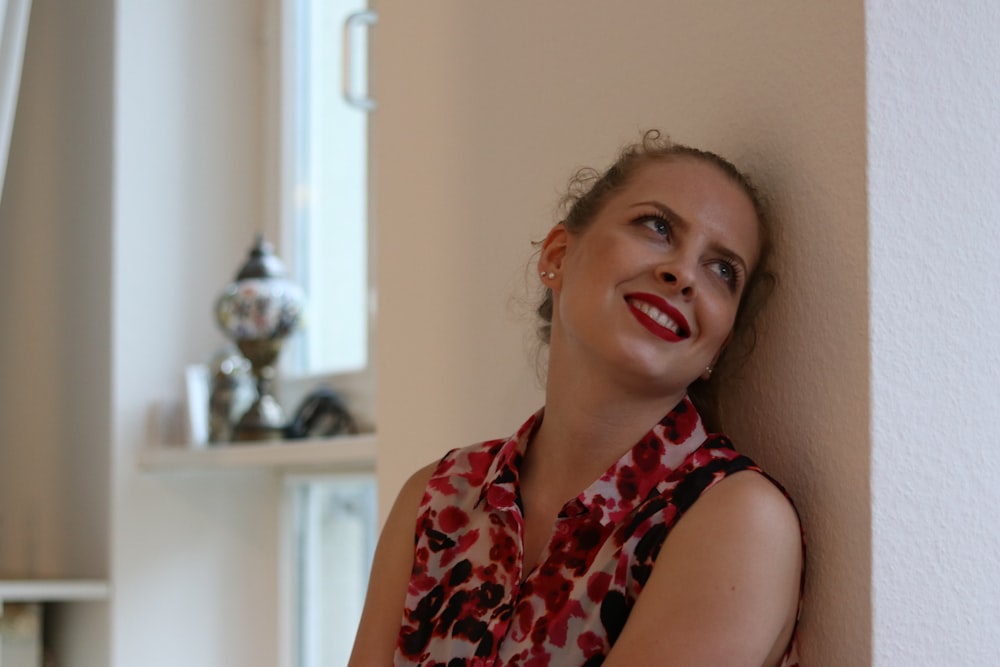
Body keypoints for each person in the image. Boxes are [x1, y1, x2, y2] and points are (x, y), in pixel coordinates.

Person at [349, 130, 803, 666]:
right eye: (657, 227)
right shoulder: (435, 498)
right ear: (559, 255)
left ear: (718, 347)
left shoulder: (736, 520)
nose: (682, 273)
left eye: (722, 270)